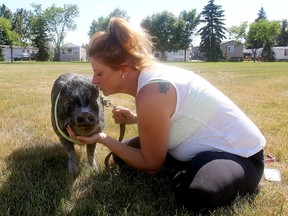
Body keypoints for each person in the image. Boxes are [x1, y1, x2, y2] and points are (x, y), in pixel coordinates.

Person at [67, 17, 265, 212]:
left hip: (241, 155)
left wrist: (103, 138)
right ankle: (185, 165)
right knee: (122, 156)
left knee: (197, 195)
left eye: (99, 73)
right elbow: (178, 114)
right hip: (198, 145)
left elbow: (151, 165)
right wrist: (136, 118)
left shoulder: (151, 92)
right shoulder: (150, 79)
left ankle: (188, 170)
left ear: (124, 70)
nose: (94, 80)